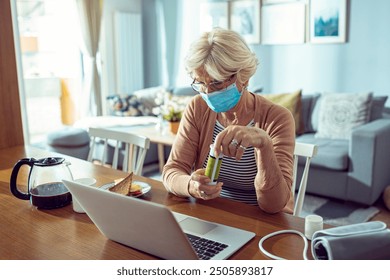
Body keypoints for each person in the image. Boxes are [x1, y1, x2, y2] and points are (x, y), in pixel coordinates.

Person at [162, 28, 295, 214]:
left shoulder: (277, 118)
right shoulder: (197, 108)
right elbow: (172, 171)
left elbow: (274, 205)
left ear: (244, 77)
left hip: (261, 222)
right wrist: (191, 185)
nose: (207, 92)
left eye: (216, 82)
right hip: (211, 214)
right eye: (200, 82)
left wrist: (264, 145)